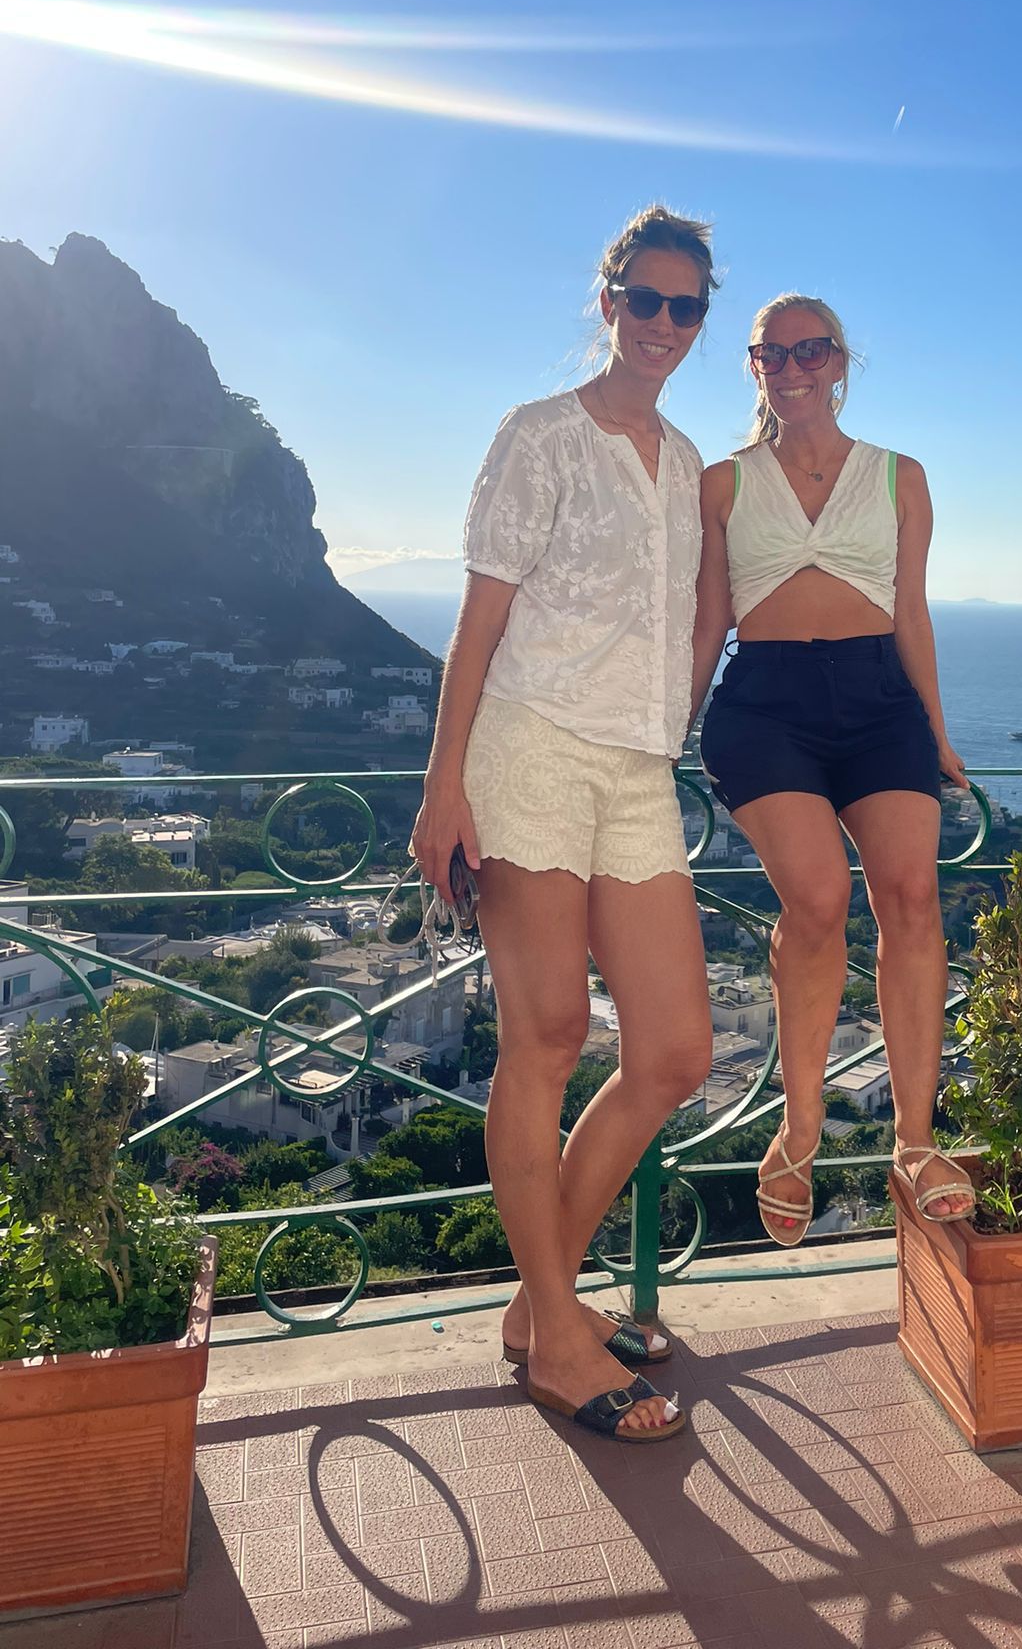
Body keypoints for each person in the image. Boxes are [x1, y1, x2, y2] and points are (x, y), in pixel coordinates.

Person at [411, 204, 716, 1445]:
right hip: (527, 751)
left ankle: (547, 1305)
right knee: (542, 1037)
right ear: (607, 304)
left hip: (636, 771)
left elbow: (700, 610)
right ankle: (554, 1332)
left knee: (676, 1051)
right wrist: (444, 786)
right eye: (643, 299)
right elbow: (478, 621)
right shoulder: (538, 434)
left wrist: (681, 707)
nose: (661, 324)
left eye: (685, 306)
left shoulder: (689, 461)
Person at [692, 293, 975, 1246]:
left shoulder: (901, 477)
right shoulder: (723, 483)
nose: (795, 367)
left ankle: (914, 1140)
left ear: (840, 360)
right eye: (774, 353)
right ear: (756, 366)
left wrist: (935, 731)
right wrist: (668, 730)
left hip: (877, 699)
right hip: (765, 704)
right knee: (816, 901)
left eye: (812, 350)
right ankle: (799, 1129)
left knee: (913, 897)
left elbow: (914, 613)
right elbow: (705, 620)